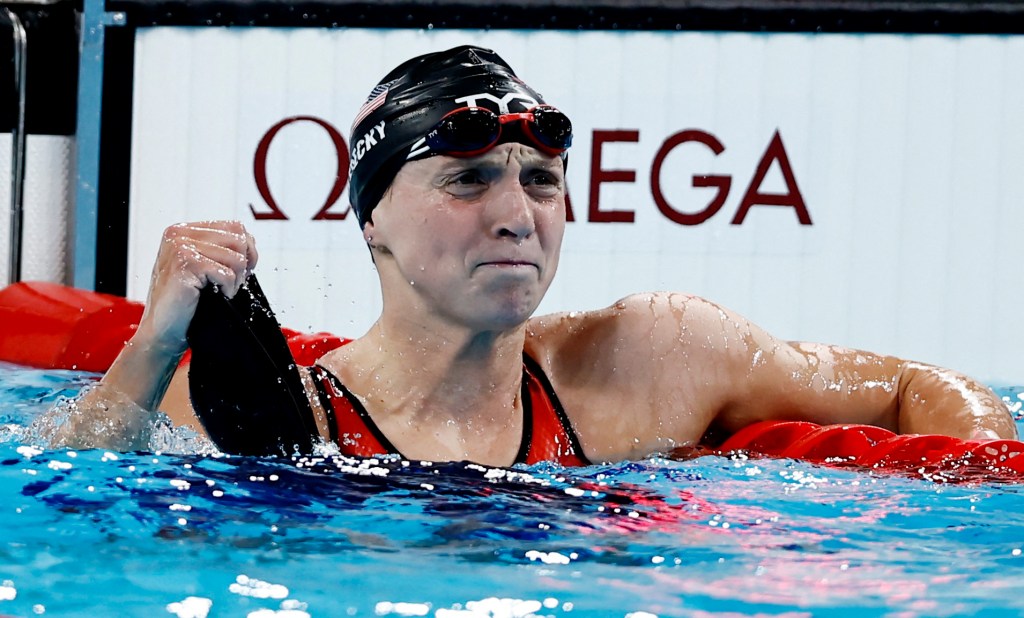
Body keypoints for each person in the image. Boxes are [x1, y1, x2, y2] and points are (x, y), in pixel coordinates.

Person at [45, 45, 1017, 464]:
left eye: (541, 180)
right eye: (468, 181)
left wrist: (980, 486)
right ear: (372, 220)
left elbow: (915, 387)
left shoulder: (652, 358)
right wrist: (152, 342)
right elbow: (67, 481)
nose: (518, 214)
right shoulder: (271, 411)